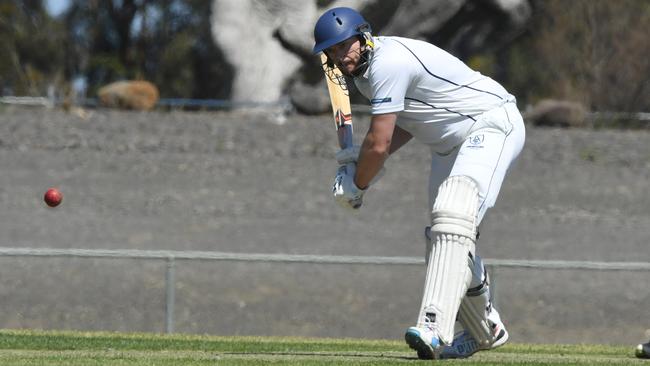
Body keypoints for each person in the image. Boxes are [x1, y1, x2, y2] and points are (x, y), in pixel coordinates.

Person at [313, 7, 526, 360]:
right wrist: (357, 167)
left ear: (363, 36)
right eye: (332, 51)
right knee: (446, 235)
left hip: (489, 124)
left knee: (453, 211)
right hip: (447, 146)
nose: (340, 55)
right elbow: (407, 123)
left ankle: (434, 328)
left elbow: (378, 143)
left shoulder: (388, 63)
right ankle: (486, 328)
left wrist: (358, 184)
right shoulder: (365, 75)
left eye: (344, 45)